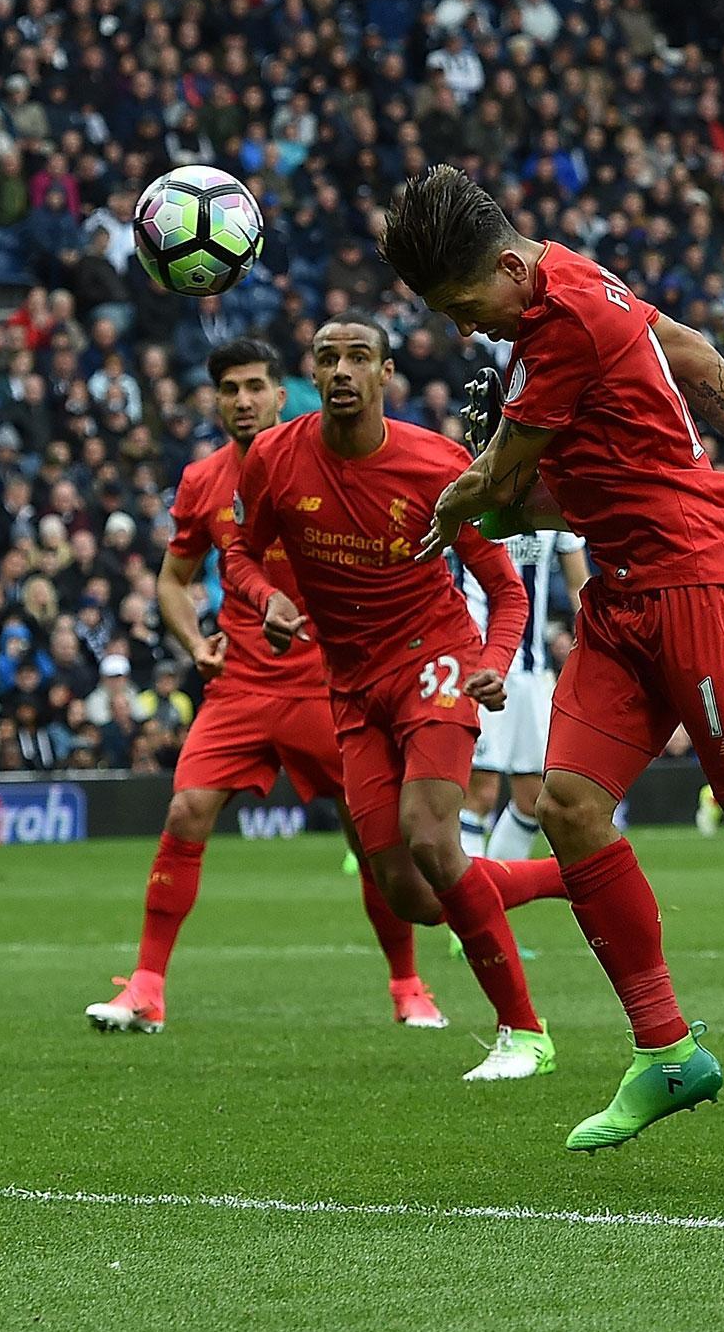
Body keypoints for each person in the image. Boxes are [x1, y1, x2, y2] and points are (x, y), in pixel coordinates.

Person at [386, 165, 724, 1185]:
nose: (468, 330)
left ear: (508, 267)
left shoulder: (560, 327)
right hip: (626, 587)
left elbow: (506, 488)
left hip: (697, 580)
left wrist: (447, 504)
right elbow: (687, 350)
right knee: (565, 803)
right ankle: (666, 1049)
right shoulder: (569, 282)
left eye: (467, 308)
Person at [224, 312, 570, 1084]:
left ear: (387, 375)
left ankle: (523, 1032)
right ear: (310, 377)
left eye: (358, 358)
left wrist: (494, 661)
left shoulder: (437, 464)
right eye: (327, 358)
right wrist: (264, 602)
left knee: (429, 837)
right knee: (411, 895)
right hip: (349, 685)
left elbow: (504, 589)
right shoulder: (274, 460)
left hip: (434, 662)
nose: (341, 370)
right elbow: (240, 553)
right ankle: (568, 875)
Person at [87, 337, 447, 1036]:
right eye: (230, 389)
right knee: (186, 812)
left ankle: (407, 984)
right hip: (242, 685)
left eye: (256, 387)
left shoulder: (322, 461)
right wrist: (196, 643)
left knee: (374, 843)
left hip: (329, 684)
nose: (243, 401)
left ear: (283, 396)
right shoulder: (202, 481)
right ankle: (147, 987)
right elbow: (173, 578)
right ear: (215, 400)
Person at [454, 524, 589, 863]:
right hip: (479, 665)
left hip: (532, 671)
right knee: (479, 792)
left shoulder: (550, 493)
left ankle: (497, 889)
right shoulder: (463, 486)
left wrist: (591, 646)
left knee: (534, 798)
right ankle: (472, 903)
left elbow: (579, 586)